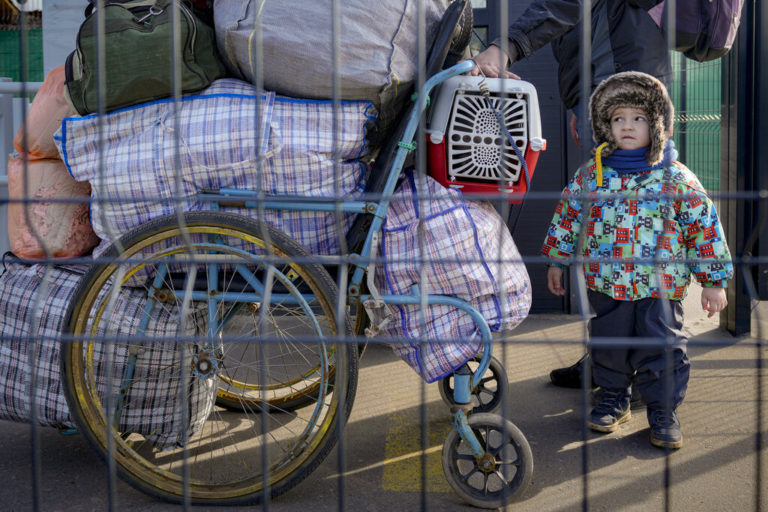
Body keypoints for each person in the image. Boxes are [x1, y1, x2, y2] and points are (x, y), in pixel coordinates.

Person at [469, 0, 672, 396]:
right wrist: (584, 103)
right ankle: (618, 365)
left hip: (620, 88)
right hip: (617, 86)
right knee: (619, 238)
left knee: (625, 242)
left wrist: (505, 45)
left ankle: (629, 379)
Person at [541, 71, 733, 449]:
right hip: (607, 282)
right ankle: (614, 397)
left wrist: (713, 281)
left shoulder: (676, 178)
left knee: (662, 347)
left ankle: (663, 410)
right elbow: (567, 218)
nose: (627, 126)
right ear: (604, 125)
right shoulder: (590, 178)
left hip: (660, 288)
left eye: (639, 118)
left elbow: (704, 228)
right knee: (609, 344)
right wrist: (556, 260)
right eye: (617, 118)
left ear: (657, 125)